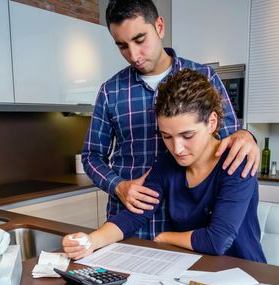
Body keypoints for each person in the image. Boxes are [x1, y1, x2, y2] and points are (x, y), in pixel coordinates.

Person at [81, 0, 260, 240]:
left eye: (140, 39)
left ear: (160, 27)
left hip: (188, 226)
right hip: (130, 219)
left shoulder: (204, 76)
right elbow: (91, 156)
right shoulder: (110, 91)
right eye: (122, 46)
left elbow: (229, 137)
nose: (133, 55)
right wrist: (118, 186)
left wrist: (248, 136)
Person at [63, 69, 266, 263]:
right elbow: (134, 216)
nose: (177, 149)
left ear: (212, 122)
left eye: (187, 135)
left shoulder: (237, 163)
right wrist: (91, 241)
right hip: (193, 272)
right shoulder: (167, 164)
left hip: (247, 275)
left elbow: (217, 240)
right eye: (167, 136)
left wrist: (165, 237)